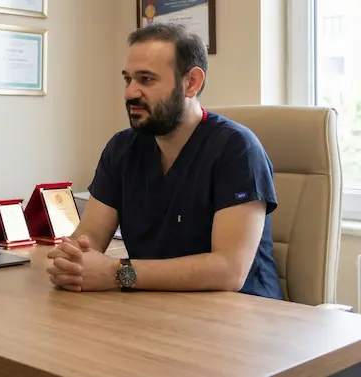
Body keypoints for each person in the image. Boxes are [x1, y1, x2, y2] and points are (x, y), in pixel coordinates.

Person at [47, 23, 283, 300]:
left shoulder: (236, 148)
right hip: (155, 306)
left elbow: (229, 270)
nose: (130, 93)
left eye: (146, 80)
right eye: (128, 80)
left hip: (240, 316)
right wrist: (71, 260)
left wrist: (116, 272)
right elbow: (89, 239)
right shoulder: (122, 148)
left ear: (191, 83)